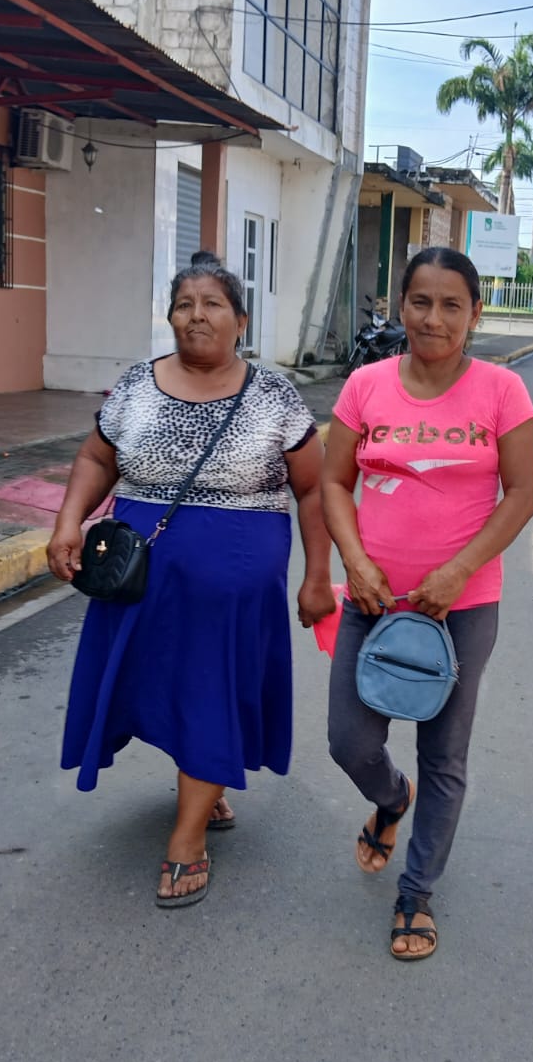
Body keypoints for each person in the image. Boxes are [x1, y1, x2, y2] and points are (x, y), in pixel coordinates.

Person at [47, 252, 337, 909]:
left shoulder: (274, 396)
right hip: (140, 570)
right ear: (171, 316)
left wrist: (318, 576)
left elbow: (313, 490)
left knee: (211, 686)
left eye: (212, 304)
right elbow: (96, 457)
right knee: (158, 684)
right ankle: (208, 780)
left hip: (235, 575)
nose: (196, 316)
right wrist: (69, 521)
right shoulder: (136, 384)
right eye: (184, 304)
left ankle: (188, 837)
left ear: (241, 321)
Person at [322, 246, 533, 961]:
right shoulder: (366, 385)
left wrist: (459, 571)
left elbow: (522, 495)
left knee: (444, 753)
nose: (434, 318)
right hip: (372, 600)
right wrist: (354, 562)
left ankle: (416, 893)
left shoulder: (503, 391)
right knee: (350, 741)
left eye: (452, 305)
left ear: (475, 313)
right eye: (421, 301)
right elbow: (334, 483)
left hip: (462, 607)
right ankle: (391, 799)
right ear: (401, 306)